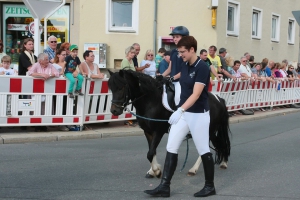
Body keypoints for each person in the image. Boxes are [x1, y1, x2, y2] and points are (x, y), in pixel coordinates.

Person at [144, 36, 216, 198]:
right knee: (171, 147)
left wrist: (180, 110)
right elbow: (179, 76)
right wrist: (165, 78)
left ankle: (210, 186)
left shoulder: (202, 68)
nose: (180, 54)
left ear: (192, 50)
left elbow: (196, 94)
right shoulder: (185, 64)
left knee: (203, 149)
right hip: (184, 114)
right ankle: (164, 186)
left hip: (198, 115)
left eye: (183, 52)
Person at [28, 53, 59, 132]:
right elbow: (30, 72)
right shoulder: (36, 65)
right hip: (36, 89)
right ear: (40, 61)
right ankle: (37, 125)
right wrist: (41, 74)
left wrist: (49, 75)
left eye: (48, 59)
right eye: (46, 59)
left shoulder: (50, 65)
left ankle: (44, 124)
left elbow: (57, 73)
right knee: (36, 107)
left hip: (47, 90)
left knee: (45, 108)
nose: (47, 61)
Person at [162, 26, 190, 105]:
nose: (174, 39)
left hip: (181, 82)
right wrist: (161, 76)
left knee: (178, 98)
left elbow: (185, 70)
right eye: (174, 37)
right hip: (172, 81)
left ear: (184, 38)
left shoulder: (187, 52)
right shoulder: (173, 51)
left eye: (177, 37)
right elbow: (170, 68)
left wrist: (173, 77)